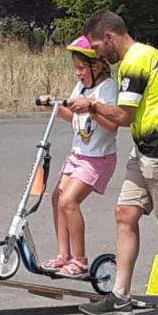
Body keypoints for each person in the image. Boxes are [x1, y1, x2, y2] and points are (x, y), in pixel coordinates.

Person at [67, 10, 158, 315]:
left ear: (108, 36)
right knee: (125, 214)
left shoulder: (134, 62)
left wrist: (92, 105)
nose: (96, 54)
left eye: (95, 46)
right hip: (146, 149)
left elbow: (124, 116)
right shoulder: (146, 54)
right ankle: (119, 297)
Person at [38, 36, 119, 279]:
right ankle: (63, 255)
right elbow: (71, 115)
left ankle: (80, 260)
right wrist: (51, 103)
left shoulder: (107, 88)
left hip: (98, 159)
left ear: (97, 66)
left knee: (69, 202)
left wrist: (92, 107)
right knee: (57, 198)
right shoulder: (82, 87)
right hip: (78, 154)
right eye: (76, 68)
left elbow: (113, 125)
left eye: (81, 68)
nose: (77, 73)